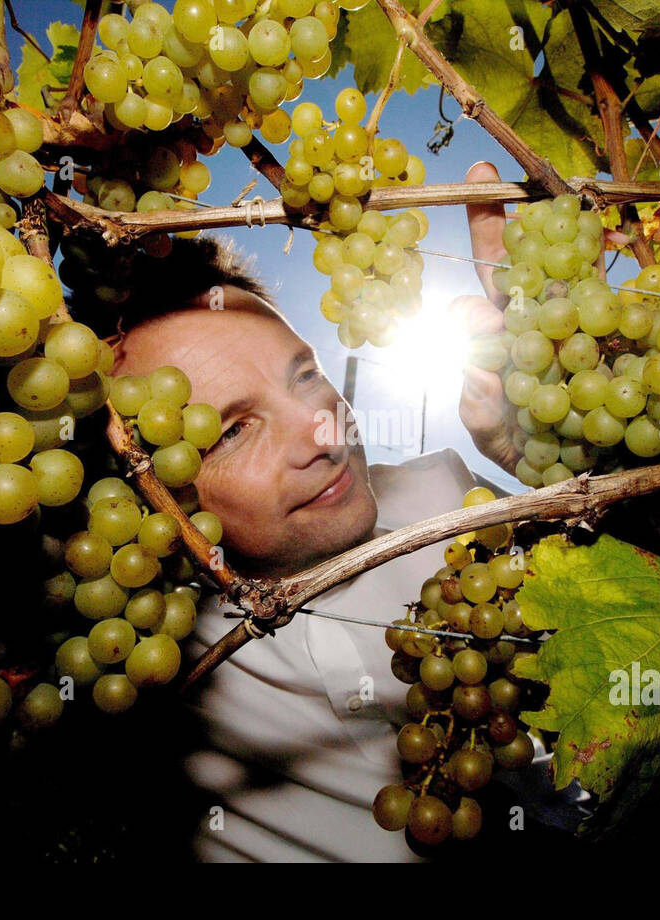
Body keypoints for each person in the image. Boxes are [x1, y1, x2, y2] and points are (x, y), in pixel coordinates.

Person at [109, 162, 574, 862]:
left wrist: (552, 457)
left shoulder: (449, 500)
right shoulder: (138, 648)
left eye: (306, 375)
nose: (323, 430)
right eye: (233, 429)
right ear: (146, 492)